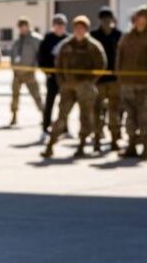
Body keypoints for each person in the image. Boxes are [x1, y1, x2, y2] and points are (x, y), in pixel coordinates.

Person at [43, 16, 106, 157]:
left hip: (86, 88)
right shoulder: (66, 46)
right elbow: (58, 66)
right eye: (77, 28)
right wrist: (62, 82)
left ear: (86, 29)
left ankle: (83, 144)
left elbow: (101, 65)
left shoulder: (94, 47)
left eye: (82, 28)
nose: (79, 31)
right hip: (68, 87)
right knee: (61, 116)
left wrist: (90, 82)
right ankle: (51, 144)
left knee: (87, 117)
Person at [115, 5, 147, 159]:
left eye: (142, 17)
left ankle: (146, 147)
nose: (138, 20)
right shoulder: (127, 36)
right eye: (137, 17)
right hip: (128, 84)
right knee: (130, 117)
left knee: (146, 116)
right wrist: (121, 76)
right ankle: (131, 145)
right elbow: (120, 57)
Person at [93, 9, 123, 151]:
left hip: (115, 80)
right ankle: (97, 138)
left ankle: (115, 139)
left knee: (115, 111)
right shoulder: (94, 36)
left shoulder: (119, 35)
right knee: (98, 111)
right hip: (98, 80)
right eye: (103, 19)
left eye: (108, 18)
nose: (106, 21)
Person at [37, 15, 68, 141]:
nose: (59, 27)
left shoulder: (68, 39)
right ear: (53, 25)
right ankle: (45, 128)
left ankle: (65, 128)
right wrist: (46, 72)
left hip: (66, 79)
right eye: (57, 24)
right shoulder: (47, 39)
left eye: (62, 25)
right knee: (49, 104)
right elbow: (41, 57)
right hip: (52, 78)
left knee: (66, 104)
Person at [8, 19, 43, 128]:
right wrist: (13, 67)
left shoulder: (35, 39)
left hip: (29, 73)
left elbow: (40, 55)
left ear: (28, 26)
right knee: (15, 96)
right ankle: (14, 116)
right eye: (20, 27)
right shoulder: (18, 41)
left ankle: (45, 115)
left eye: (24, 26)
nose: (22, 29)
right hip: (17, 73)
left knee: (36, 95)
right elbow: (12, 55)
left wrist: (34, 68)